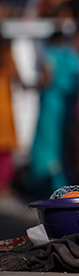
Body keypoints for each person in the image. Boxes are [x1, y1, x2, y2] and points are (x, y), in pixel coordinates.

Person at [27, 31, 79, 198]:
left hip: (50, 105)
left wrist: (32, 85)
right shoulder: (73, 57)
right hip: (66, 106)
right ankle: (64, 183)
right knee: (63, 145)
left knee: (47, 144)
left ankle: (47, 183)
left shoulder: (49, 55)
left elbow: (46, 79)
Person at [0, 38, 21, 194]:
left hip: (5, 107)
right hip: (4, 108)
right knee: (5, 147)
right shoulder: (7, 55)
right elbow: (17, 77)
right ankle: (3, 184)